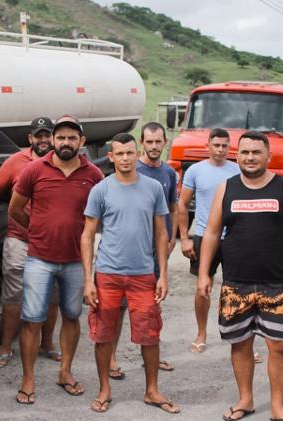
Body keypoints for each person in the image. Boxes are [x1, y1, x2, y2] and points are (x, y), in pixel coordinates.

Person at [197, 130, 283, 421]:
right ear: (238, 155)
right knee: (240, 343)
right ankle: (245, 400)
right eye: (245, 152)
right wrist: (204, 274)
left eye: (256, 152)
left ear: (268, 156)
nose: (250, 157)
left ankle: (277, 407)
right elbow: (211, 233)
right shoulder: (227, 188)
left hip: (278, 284)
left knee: (280, 346)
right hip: (236, 284)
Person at [81, 133, 180, 414]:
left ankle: (152, 390)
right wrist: (88, 280)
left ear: (137, 154)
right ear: (110, 157)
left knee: (150, 334)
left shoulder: (153, 188)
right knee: (103, 334)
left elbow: (161, 234)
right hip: (107, 274)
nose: (125, 158)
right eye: (119, 154)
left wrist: (163, 275)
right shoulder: (101, 189)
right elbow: (87, 235)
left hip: (143, 275)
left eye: (129, 153)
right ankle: (104, 389)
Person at [9, 115, 103, 405]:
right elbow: (15, 208)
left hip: (77, 260)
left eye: (72, 137)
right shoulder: (35, 170)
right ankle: (28, 379)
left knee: (72, 316)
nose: (65, 142)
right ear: (53, 140)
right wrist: (37, 229)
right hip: (40, 258)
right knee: (32, 319)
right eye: (60, 137)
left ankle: (65, 371)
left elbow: (100, 217)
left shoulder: (93, 175)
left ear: (81, 141)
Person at [0, 117, 61, 368]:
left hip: (53, 243)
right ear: (30, 138)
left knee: (52, 296)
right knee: (13, 295)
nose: (43, 140)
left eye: (47, 135)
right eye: (38, 135)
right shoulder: (16, 161)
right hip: (19, 240)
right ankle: (6, 347)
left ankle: (48, 344)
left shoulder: (64, 162)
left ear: (54, 137)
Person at [107, 122, 177, 381]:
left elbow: (173, 207)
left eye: (158, 141)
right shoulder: (132, 169)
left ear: (165, 142)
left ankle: (152, 356)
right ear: (141, 145)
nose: (154, 146)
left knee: (152, 307)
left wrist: (172, 239)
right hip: (130, 255)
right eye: (149, 142)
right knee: (120, 308)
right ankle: (112, 357)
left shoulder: (169, 174)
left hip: (155, 252)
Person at [177, 128, 240, 354]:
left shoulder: (237, 170)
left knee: (236, 289)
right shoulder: (195, 170)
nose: (220, 149)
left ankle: (240, 338)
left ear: (229, 147)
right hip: (205, 236)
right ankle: (201, 333)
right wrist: (184, 238)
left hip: (233, 236)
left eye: (225, 145)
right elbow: (182, 205)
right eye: (216, 145)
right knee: (203, 287)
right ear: (208, 146)